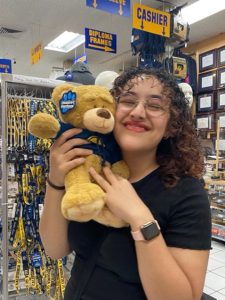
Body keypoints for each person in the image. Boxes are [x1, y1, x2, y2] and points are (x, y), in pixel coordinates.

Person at [39, 67, 211, 300]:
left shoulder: (187, 194)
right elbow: (55, 249)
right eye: (128, 101)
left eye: (155, 105)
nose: (138, 112)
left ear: (171, 126)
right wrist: (57, 180)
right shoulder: (90, 173)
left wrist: (140, 218)